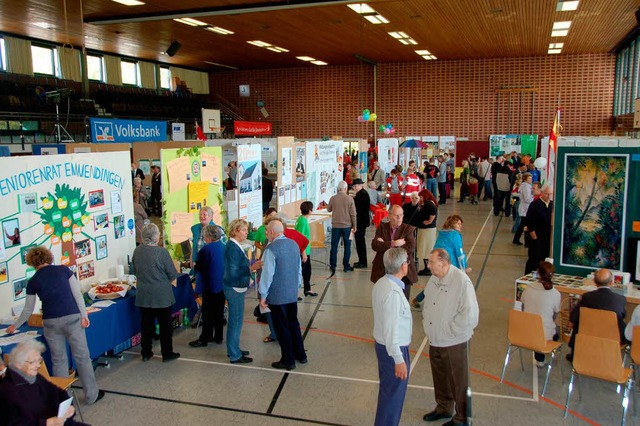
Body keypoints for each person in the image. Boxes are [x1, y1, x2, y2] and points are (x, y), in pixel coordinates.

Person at [7, 246, 104, 405]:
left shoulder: (33, 281)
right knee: (82, 357)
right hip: (72, 317)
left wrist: (15, 326)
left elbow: (28, 309)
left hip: (51, 322)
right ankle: (91, 395)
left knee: (59, 360)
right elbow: (77, 294)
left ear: (32, 263)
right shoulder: (64, 270)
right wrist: (84, 316)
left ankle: (64, 400)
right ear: (49, 257)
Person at [422, 248, 479, 425]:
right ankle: (444, 407)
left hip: (455, 341)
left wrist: (451, 330)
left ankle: (463, 417)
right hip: (435, 339)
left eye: (431, 262)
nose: (428, 265)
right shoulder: (434, 278)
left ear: (444, 263)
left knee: (460, 381)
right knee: (440, 377)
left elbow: (470, 314)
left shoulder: (462, 281)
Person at [0, 340, 89, 426]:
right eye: (32, 362)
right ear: (18, 364)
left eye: (39, 360)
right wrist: (45, 423)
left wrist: (68, 407)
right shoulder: (6, 390)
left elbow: (57, 392)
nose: (38, 365)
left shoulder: (34, 377)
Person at [259, 220, 307, 370]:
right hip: (291, 293)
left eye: (267, 231)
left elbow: (267, 275)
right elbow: (299, 268)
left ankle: (288, 359)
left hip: (278, 295)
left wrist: (263, 294)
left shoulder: (271, 249)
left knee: (282, 327)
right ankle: (301, 354)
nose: (266, 234)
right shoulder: (294, 245)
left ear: (273, 232)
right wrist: (297, 285)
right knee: (293, 323)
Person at [372, 248, 412, 426]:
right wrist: (399, 359)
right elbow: (391, 329)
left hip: (384, 346)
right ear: (403, 266)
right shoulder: (393, 293)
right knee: (393, 397)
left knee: (388, 392)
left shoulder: (381, 283)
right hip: (393, 350)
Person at [131, 223, 180, 362]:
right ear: (156, 237)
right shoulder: (161, 252)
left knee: (146, 325)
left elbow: (134, 270)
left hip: (144, 294)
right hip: (161, 295)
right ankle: (167, 353)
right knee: (165, 326)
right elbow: (172, 273)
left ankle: (146, 352)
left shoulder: (137, 251)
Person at [566, 268, 627, 362]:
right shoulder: (620, 299)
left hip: (589, 333)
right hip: (611, 337)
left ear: (594, 282)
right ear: (611, 282)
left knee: (578, 319)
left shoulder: (587, 297)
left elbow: (573, 316)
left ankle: (575, 353)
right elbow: (623, 316)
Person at [224, 219, 263, 364]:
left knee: (237, 320)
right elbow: (234, 273)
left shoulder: (234, 246)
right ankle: (234, 354)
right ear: (235, 231)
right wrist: (252, 268)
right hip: (234, 288)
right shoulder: (233, 248)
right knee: (235, 321)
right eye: (244, 230)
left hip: (236, 287)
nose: (247, 232)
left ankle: (234, 348)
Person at [189, 225, 226, 348]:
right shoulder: (223, 247)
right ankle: (218, 336)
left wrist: (195, 266)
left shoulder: (206, 250)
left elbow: (200, 268)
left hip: (210, 284)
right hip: (221, 284)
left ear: (209, 236)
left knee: (208, 312)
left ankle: (205, 337)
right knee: (219, 311)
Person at [371, 205, 417, 300]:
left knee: (403, 300)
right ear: (389, 216)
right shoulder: (382, 227)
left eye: (401, 215)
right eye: (396, 215)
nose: (399, 218)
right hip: (383, 270)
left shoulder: (408, 229)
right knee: (384, 298)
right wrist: (394, 243)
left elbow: (410, 247)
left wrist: (385, 245)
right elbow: (375, 245)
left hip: (402, 272)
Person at [520, 261, 560, 367]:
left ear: (538, 273)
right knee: (550, 329)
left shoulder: (528, 288)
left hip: (525, 332)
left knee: (538, 325)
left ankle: (539, 359)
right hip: (544, 335)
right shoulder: (555, 293)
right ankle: (543, 356)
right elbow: (555, 316)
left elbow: (523, 308)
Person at [327, 181, 357, 276]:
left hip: (335, 226)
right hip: (347, 227)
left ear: (337, 189)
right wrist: (354, 226)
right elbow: (353, 214)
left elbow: (328, 209)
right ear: (346, 188)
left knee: (334, 246)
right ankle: (346, 266)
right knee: (347, 246)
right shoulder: (350, 199)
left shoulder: (333, 198)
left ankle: (333, 266)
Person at [524, 185, 553, 274]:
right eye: (547, 194)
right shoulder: (535, 204)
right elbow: (529, 220)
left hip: (548, 237)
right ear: (542, 193)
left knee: (545, 258)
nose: (548, 196)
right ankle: (528, 277)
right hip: (537, 237)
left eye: (550, 194)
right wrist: (533, 234)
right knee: (534, 258)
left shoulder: (552, 204)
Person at [296, 201, 318, 297]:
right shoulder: (303, 222)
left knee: (307, 271)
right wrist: (303, 253)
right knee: (302, 271)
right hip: (303, 251)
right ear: (309, 210)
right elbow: (300, 238)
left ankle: (307, 289)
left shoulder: (302, 219)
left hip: (305, 249)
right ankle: (297, 292)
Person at [352, 178, 371, 268]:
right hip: (362, 222)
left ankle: (363, 262)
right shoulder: (361, 194)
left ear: (360, 185)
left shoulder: (362, 195)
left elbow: (357, 208)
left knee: (360, 242)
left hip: (361, 222)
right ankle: (361, 260)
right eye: (354, 186)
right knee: (359, 242)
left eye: (356, 186)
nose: (354, 188)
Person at [512, 173, 533, 245]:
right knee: (524, 225)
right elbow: (527, 199)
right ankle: (523, 240)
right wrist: (533, 198)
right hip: (525, 209)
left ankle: (516, 239)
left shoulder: (526, 186)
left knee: (522, 225)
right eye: (529, 178)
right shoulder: (525, 187)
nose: (531, 180)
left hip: (524, 208)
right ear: (525, 179)